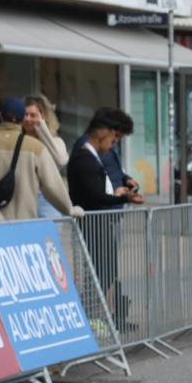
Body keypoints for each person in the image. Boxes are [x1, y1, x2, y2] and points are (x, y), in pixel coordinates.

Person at [67, 112, 144, 330]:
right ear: (104, 133)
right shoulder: (85, 155)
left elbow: (109, 178)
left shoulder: (95, 153)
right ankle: (91, 317)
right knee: (98, 272)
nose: (114, 144)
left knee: (106, 270)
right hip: (93, 221)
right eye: (114, 138)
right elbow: (95, 195)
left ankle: (102, 316)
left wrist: (122, 188)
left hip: (103, 218)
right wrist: (122, 198)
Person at [0, 97, 82, 224]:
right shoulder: (36, 148)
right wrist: (69, 209)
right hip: (23, 223)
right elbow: (51, 184)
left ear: (0, 116)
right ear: (22, 119)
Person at [73, 108, 141, 201]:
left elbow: (114, 169)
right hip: (104, 205)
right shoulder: (86, 149)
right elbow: (92, 192)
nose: (115, 141)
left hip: (113, 204)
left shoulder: (108, 145)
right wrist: (116, 196)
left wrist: (126, 179)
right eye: (116, 135)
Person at [23, 94, 69, 218]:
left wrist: (41, 128)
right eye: (25, 114)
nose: (27, 119)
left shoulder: (56, 141)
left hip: (48, 201)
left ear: (43, 117)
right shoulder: (19, 141)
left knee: (52, 231)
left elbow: (61, 160)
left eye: (33, 115)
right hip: (24, 200)